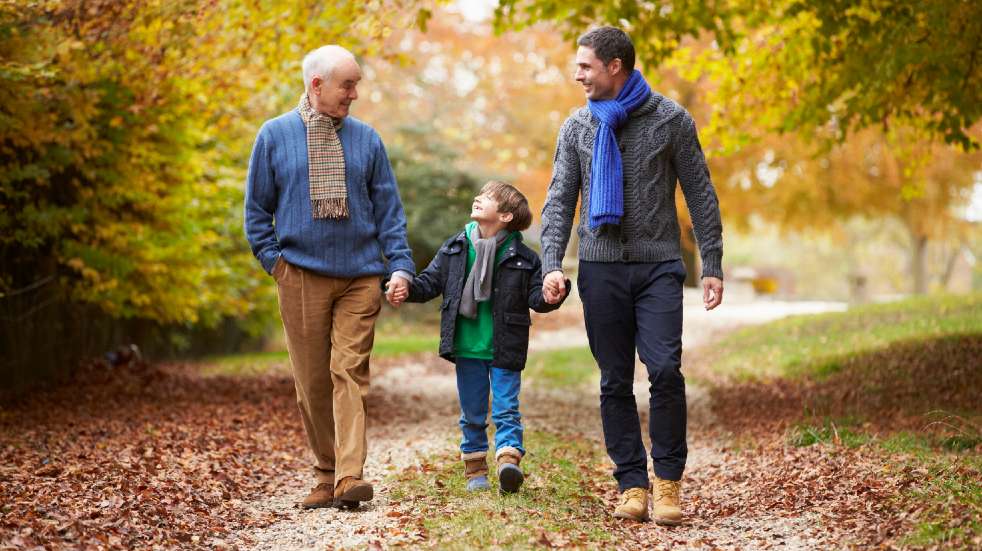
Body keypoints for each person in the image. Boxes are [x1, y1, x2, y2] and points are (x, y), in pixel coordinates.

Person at [539, 27, 724, 524]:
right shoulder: (577, 127)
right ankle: (632, 484)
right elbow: (558, 200)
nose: (577, 74)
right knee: (614, 379)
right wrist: (552, 262)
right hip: (599, 268)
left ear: (614, 66)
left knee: (664, 369)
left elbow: (700, 192)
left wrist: (712, 263)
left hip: (660, 265)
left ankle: (667, 483)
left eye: (585, 66)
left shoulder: (670, 120)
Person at [244, 45, 415, 509]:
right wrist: (275, 263)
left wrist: (399, 264)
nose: (355, 94)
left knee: (348, 372)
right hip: (300, 276)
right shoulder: (274, 136)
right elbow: (257, 212)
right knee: (312, 382)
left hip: (360, 276)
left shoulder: (367, 140)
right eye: (348, 85)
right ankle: (325, 471)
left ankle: (349, 476)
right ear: (316, 85)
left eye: (357, 84)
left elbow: (389, 213)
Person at [387, 181, 568, 493]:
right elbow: (430, 283)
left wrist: (553, 294)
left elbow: (537, 298)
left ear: (507, 216)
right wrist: (407, 288)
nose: (478, 199)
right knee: (472, 412)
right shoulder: (455, 248)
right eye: (480, 195)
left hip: (505, 347)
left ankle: (509, 461)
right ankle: (475, 471)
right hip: (466, 345)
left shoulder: (525, 257)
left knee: (506, 407)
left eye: (488, 198)